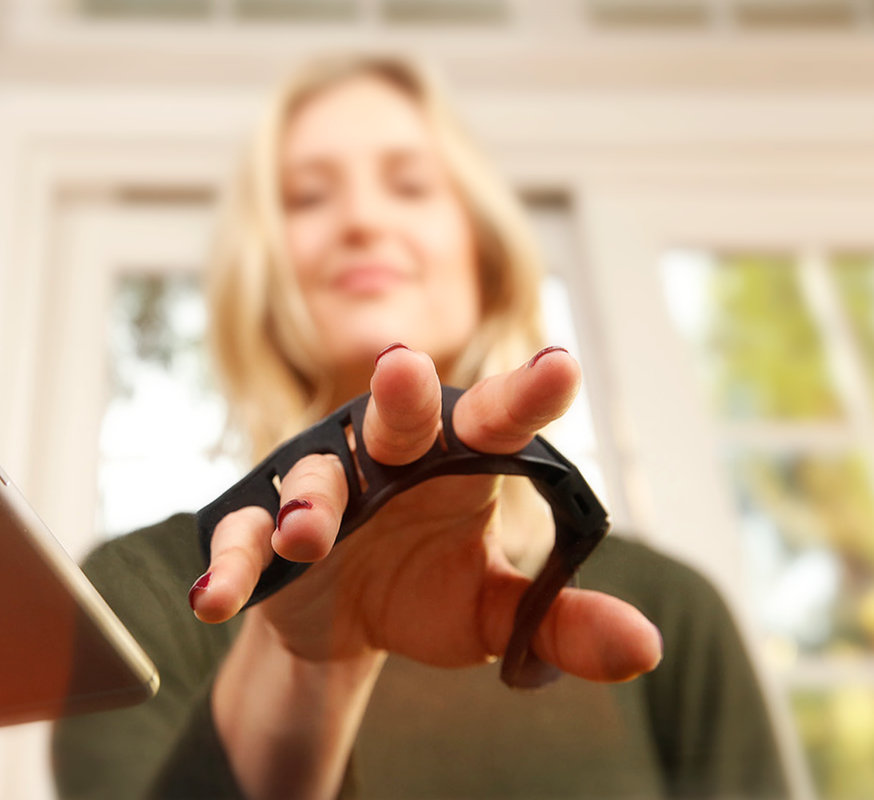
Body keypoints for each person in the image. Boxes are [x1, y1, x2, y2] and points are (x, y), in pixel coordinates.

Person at [51, 55, 790, 799]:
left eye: (411, 186)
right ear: (265, 273)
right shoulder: (144, 592)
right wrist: (306, 664)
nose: (364, 220)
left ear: (486, 257)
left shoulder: (661, 609)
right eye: (307, 198)